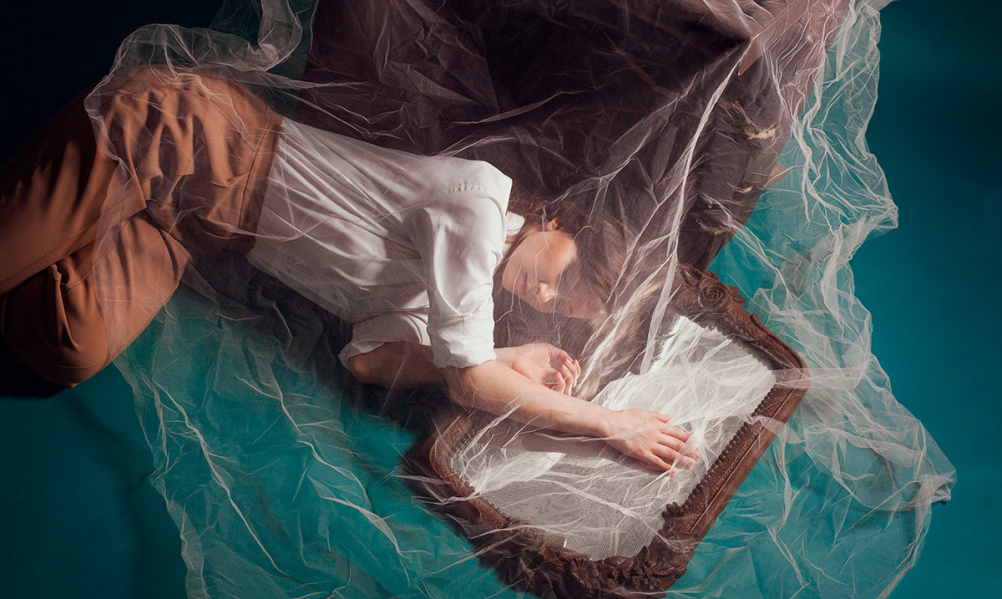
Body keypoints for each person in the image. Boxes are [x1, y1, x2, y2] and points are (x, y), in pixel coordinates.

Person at [0, 63, 698, 474]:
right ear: (559, 222)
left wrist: (506, 356)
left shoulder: (454, 294)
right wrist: (608, 423)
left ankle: (60, 212)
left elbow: (369, 359)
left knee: (68, 346)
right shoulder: (480, 204)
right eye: (566, 277)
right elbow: (468, 378)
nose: (544, 293)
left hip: (184, 226)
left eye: (558, 305)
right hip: (173, 138)